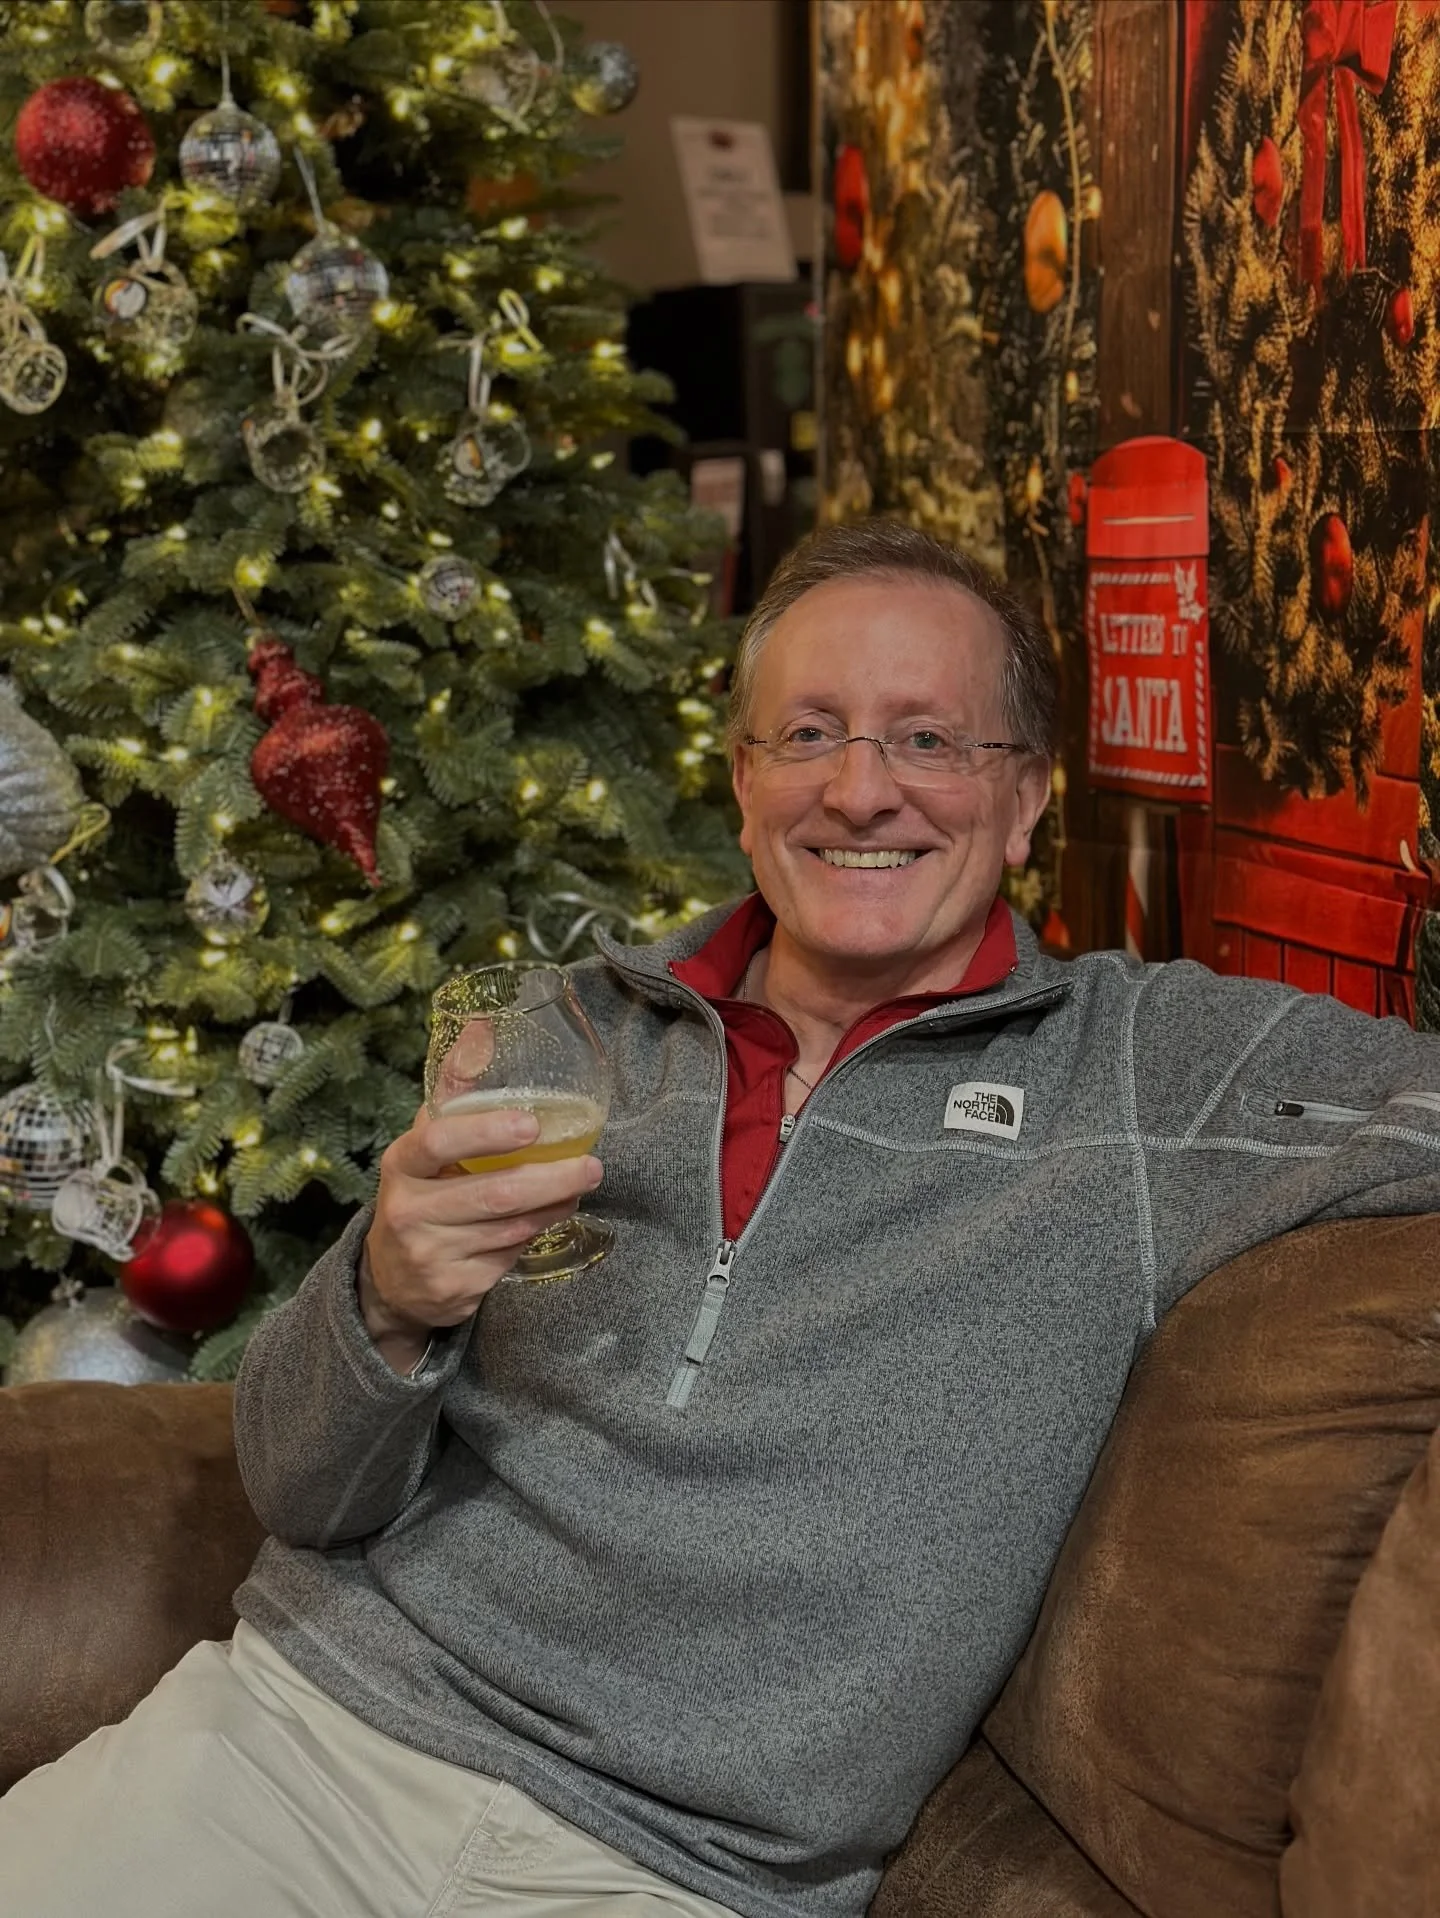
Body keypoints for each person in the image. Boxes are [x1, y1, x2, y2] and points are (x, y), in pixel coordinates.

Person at [5, 519, 1440, 1918]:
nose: (861, 790)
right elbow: (297, 1484)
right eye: (807, 734)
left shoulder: (1143, 1073)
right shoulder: (563, 1029)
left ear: (1026, 797)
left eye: (929, 739)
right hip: (294, 1750)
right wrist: (382, 1299)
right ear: (744, 783)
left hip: (679, 1877)